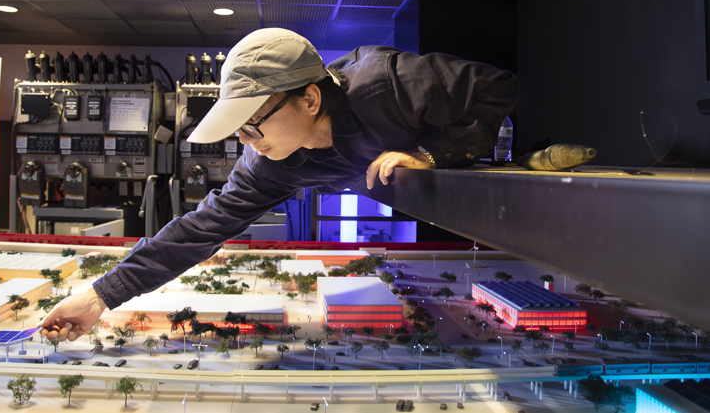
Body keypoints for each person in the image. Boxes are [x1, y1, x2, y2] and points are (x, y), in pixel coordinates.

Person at [39, 28, 517, 343]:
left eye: (252, 124)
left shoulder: (388, 85)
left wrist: (430, 156)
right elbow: (199, 229)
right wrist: (99, 296)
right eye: (238, 131)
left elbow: (498, 88)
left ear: (310, 98)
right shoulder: (268, 163)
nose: (246, 141)